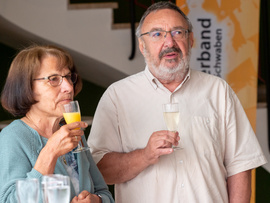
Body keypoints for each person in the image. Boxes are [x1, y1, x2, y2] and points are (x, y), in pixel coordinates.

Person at [87, 1, 267, 203]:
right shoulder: (117, 96)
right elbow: (99, 170)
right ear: (142, 45)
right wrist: (145, 156)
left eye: (178, 32)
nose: (169, 43)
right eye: (157, 34)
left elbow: (241, 164)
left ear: (190, 39)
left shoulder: (218, 91)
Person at [0, 45, 114, 203]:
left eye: (68, 77)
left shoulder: (72, 134)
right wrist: (50, 153)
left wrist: (97, 200)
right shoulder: (12, 137)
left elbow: (104, 192)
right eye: (53, 79)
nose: (68, 87)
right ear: (27, 87)